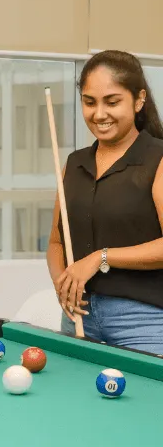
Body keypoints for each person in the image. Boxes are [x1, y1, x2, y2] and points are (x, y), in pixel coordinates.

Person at [47, 49, 163, 354]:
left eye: (112, 102)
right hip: (78, 318)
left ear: (138, 101)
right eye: (89, 102)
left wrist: (100, 257)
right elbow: (57, 242)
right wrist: (64, 282)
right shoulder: (73, 164)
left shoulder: (158, 159)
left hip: (145, 321)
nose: (99, 114)